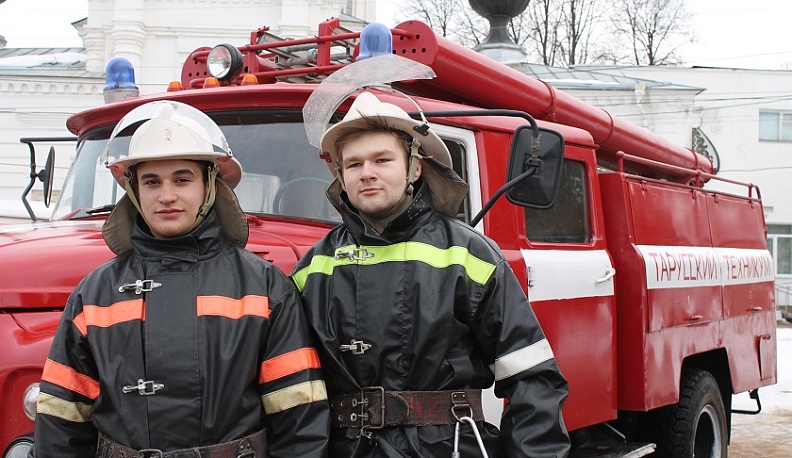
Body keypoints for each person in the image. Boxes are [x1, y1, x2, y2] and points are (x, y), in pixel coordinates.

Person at [33, 101, 330, 458]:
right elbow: (61, 419)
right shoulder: (95, 293)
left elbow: (299, 417)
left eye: (182, 179)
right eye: (152, 181)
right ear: (134, 191)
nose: (167, 196)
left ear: (209, 185)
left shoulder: (264, 286)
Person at [291, 91, 571, 457]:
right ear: (341, 177)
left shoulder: (469, 255)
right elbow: (290, 392)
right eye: (354, 164)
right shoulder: (312, 267)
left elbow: (532, 377)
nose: (367, 173)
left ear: (415, 167)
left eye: (382, 159)